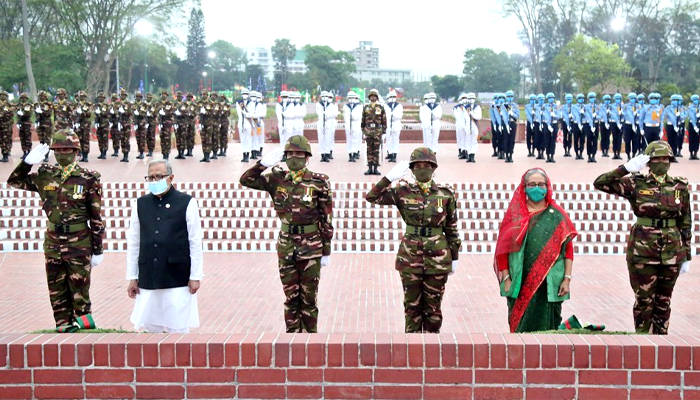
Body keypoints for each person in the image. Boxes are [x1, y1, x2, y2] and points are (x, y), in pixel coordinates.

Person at [7, 130, 104, 332]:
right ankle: (63, 329)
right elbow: (14, 181)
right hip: (53, 242)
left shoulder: (88, 178)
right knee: (56, 289)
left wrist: (97, 249)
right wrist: (27, 163)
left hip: (79, 242)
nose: (62, 154)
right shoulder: (45, 175)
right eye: (57, 150)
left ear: (76, 151)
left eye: (67, 149)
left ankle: (85, 331)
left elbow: (96, 216)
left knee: (80, 291)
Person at [594, 141, 692, 335]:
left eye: (665, 158)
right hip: (643, 251)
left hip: (672, 252)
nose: (662, 162)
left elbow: (685, 221)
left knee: (664, 300)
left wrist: (687, 255)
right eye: (657, 159)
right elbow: (600, 183)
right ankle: (642, 340)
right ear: (649, 161)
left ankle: (661, 341)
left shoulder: (680, 185)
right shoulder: (636, 183)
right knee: (644, 300)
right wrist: (625, 169)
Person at [239, 136, 334, 333]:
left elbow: (326, 218)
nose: (294, 158)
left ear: (307, 157)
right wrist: (262, 164)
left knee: (308, 299)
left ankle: (309, 340)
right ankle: (292, 340)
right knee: (291, 298)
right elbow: (245, 180)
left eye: (299, 154)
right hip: (287, 245)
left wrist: (326, 250)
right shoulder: (276, 179)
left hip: (311, 246)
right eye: (290, 154)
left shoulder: (319, 182)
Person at [365, 147, 461, 333]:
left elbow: (451, 227)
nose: (422, 169)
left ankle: (433, 349)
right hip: (410, 257)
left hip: (438, 258)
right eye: (417, 166)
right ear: (412, 169)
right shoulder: (402, 191)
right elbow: (372, 197)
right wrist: (388, 178)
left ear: (434, 168)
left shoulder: (445, 194)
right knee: (412, 308)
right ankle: (413, 352)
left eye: (426, 165)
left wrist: (455, 256)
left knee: (433, 310)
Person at [494, 168, 577, 333]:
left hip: (549, 282)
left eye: (541, 184)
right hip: (519, 279)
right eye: (532, 184)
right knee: (519, 329)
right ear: (524, 188)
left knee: (549, 329)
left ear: (547, 187)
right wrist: (506, 278)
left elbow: (567, 250)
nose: (537, 188)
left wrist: (567, 279)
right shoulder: (515, 216)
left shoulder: (557, 215)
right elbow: (503, 250)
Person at [126, 159, 203, 333]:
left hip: (176, 275)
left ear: (171, 177)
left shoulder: (186, 202)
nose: (154, 181)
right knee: (150, 329)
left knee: (177, 329)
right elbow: (134, 242)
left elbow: (195, 242)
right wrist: (132, 276)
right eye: (150, 177)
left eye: (159, 176)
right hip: (148, 275)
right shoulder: (140, 204)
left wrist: (195, 275)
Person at [362, 89, 386, 175]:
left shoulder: (380, 107)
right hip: (368, 131)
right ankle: (369, 168)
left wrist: (384, 131)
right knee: (369, 150)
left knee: (376, 150)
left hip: (377, 131)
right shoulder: (366, 107)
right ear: (369, 97)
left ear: (376, 97)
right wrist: (363, 131)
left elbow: (384, 120)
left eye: (374, 96)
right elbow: (363, 120)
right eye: (371, 96)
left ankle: (375, 168)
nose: (373, 97)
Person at [663, 94, 686, 160]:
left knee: (676, 140)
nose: (675, 101)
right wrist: (675, 125)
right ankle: (669, 155)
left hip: (678, 125)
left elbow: (685, 115)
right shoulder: (668, 108)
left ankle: (674, 155)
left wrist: (680, 115)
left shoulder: (681, 108)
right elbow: (670, 116)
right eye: (673, 100)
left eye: (676, 100)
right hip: (670, 125)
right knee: (670, 140)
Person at [344, 91, 362, 162]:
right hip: (349, 124)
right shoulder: (346, 106)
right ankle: (350, 154)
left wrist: (353, 116)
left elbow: (359, 115)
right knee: (349, 140)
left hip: (356, 124)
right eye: (350, 98)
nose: (351, 99)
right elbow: (345, 115)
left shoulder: (359, 106)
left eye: (352, 97)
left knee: (355, 139)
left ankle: (354, 153)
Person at [464, 93, 481, 163]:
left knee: (474, 141)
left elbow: (479, 116)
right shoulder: (465, 107)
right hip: (468, 125)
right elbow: (464, 117)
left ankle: (473, 155)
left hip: (474, 125)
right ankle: (469, 155)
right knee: (468, 141)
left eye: (473, 98)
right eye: (470, 98)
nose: (471, 100)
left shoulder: (477, 107)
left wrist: (472, 114)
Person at [622, 92, 640, 160]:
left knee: (635, 140)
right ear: (628, 99)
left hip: (636, 124)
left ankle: (634, 154)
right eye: (631, 98)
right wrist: (632, 123)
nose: (632, 100)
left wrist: (637, 114)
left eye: (634, 98)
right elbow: (629, 115)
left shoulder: (638, 106)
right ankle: (628, 154)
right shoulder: (626, 106)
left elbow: (641, 114)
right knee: (627, 140)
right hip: (628, 125)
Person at [157, 90, 174, 160]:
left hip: (167, 124)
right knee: (162, 139)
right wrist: (158, 122)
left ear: (167, 96)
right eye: (162, 94)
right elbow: (155, 112)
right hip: (161, 124)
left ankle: (167, 153)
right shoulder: (158, 103)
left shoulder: (169, 103)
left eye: (165, 95)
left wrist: (165, 113)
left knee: (167, 139)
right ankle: (163, 153)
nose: (163, 96)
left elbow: (172, 112)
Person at [16, 93, 34, 158]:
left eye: (24, 98)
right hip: (21, 123)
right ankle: (24, 152)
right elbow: (17, 114)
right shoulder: (19, 105)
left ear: (26, 99)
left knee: (27, 138)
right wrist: (18, 121)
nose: (23, 99)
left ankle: (28, 151)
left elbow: (28, 114)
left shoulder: (28, 105)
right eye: (22, 98)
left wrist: (22, 114)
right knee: (22, 138)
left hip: (26, 123)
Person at [0, 91, 15, 162]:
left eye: (4, 95)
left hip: (6, 125)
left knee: (5, 140)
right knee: (1, 140)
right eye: (2, 95)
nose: (3, 96)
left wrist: (2, 114)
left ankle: (5, 155)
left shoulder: (8, 105)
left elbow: (10, 114)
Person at [559, 94, 575, 158]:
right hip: (565, 122)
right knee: (565, 136)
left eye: (570, 99)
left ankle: (569, 150)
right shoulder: (563, 107)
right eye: (568, 99)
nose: (569, 100)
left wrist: (572, 116)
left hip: (571, 122)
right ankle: (565, 150)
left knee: (570, 136)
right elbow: (562, 115)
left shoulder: (573, 107)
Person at [688, 94, 700, 160]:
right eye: (695, 100)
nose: (696, 101)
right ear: (692, 101)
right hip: (692, 125)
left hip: (699, 124)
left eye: (697, 99)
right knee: (691, 139)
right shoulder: (690, 107)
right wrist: (695, 126)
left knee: (697, 139)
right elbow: (692, 117)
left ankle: (695, 153)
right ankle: (691, 153)